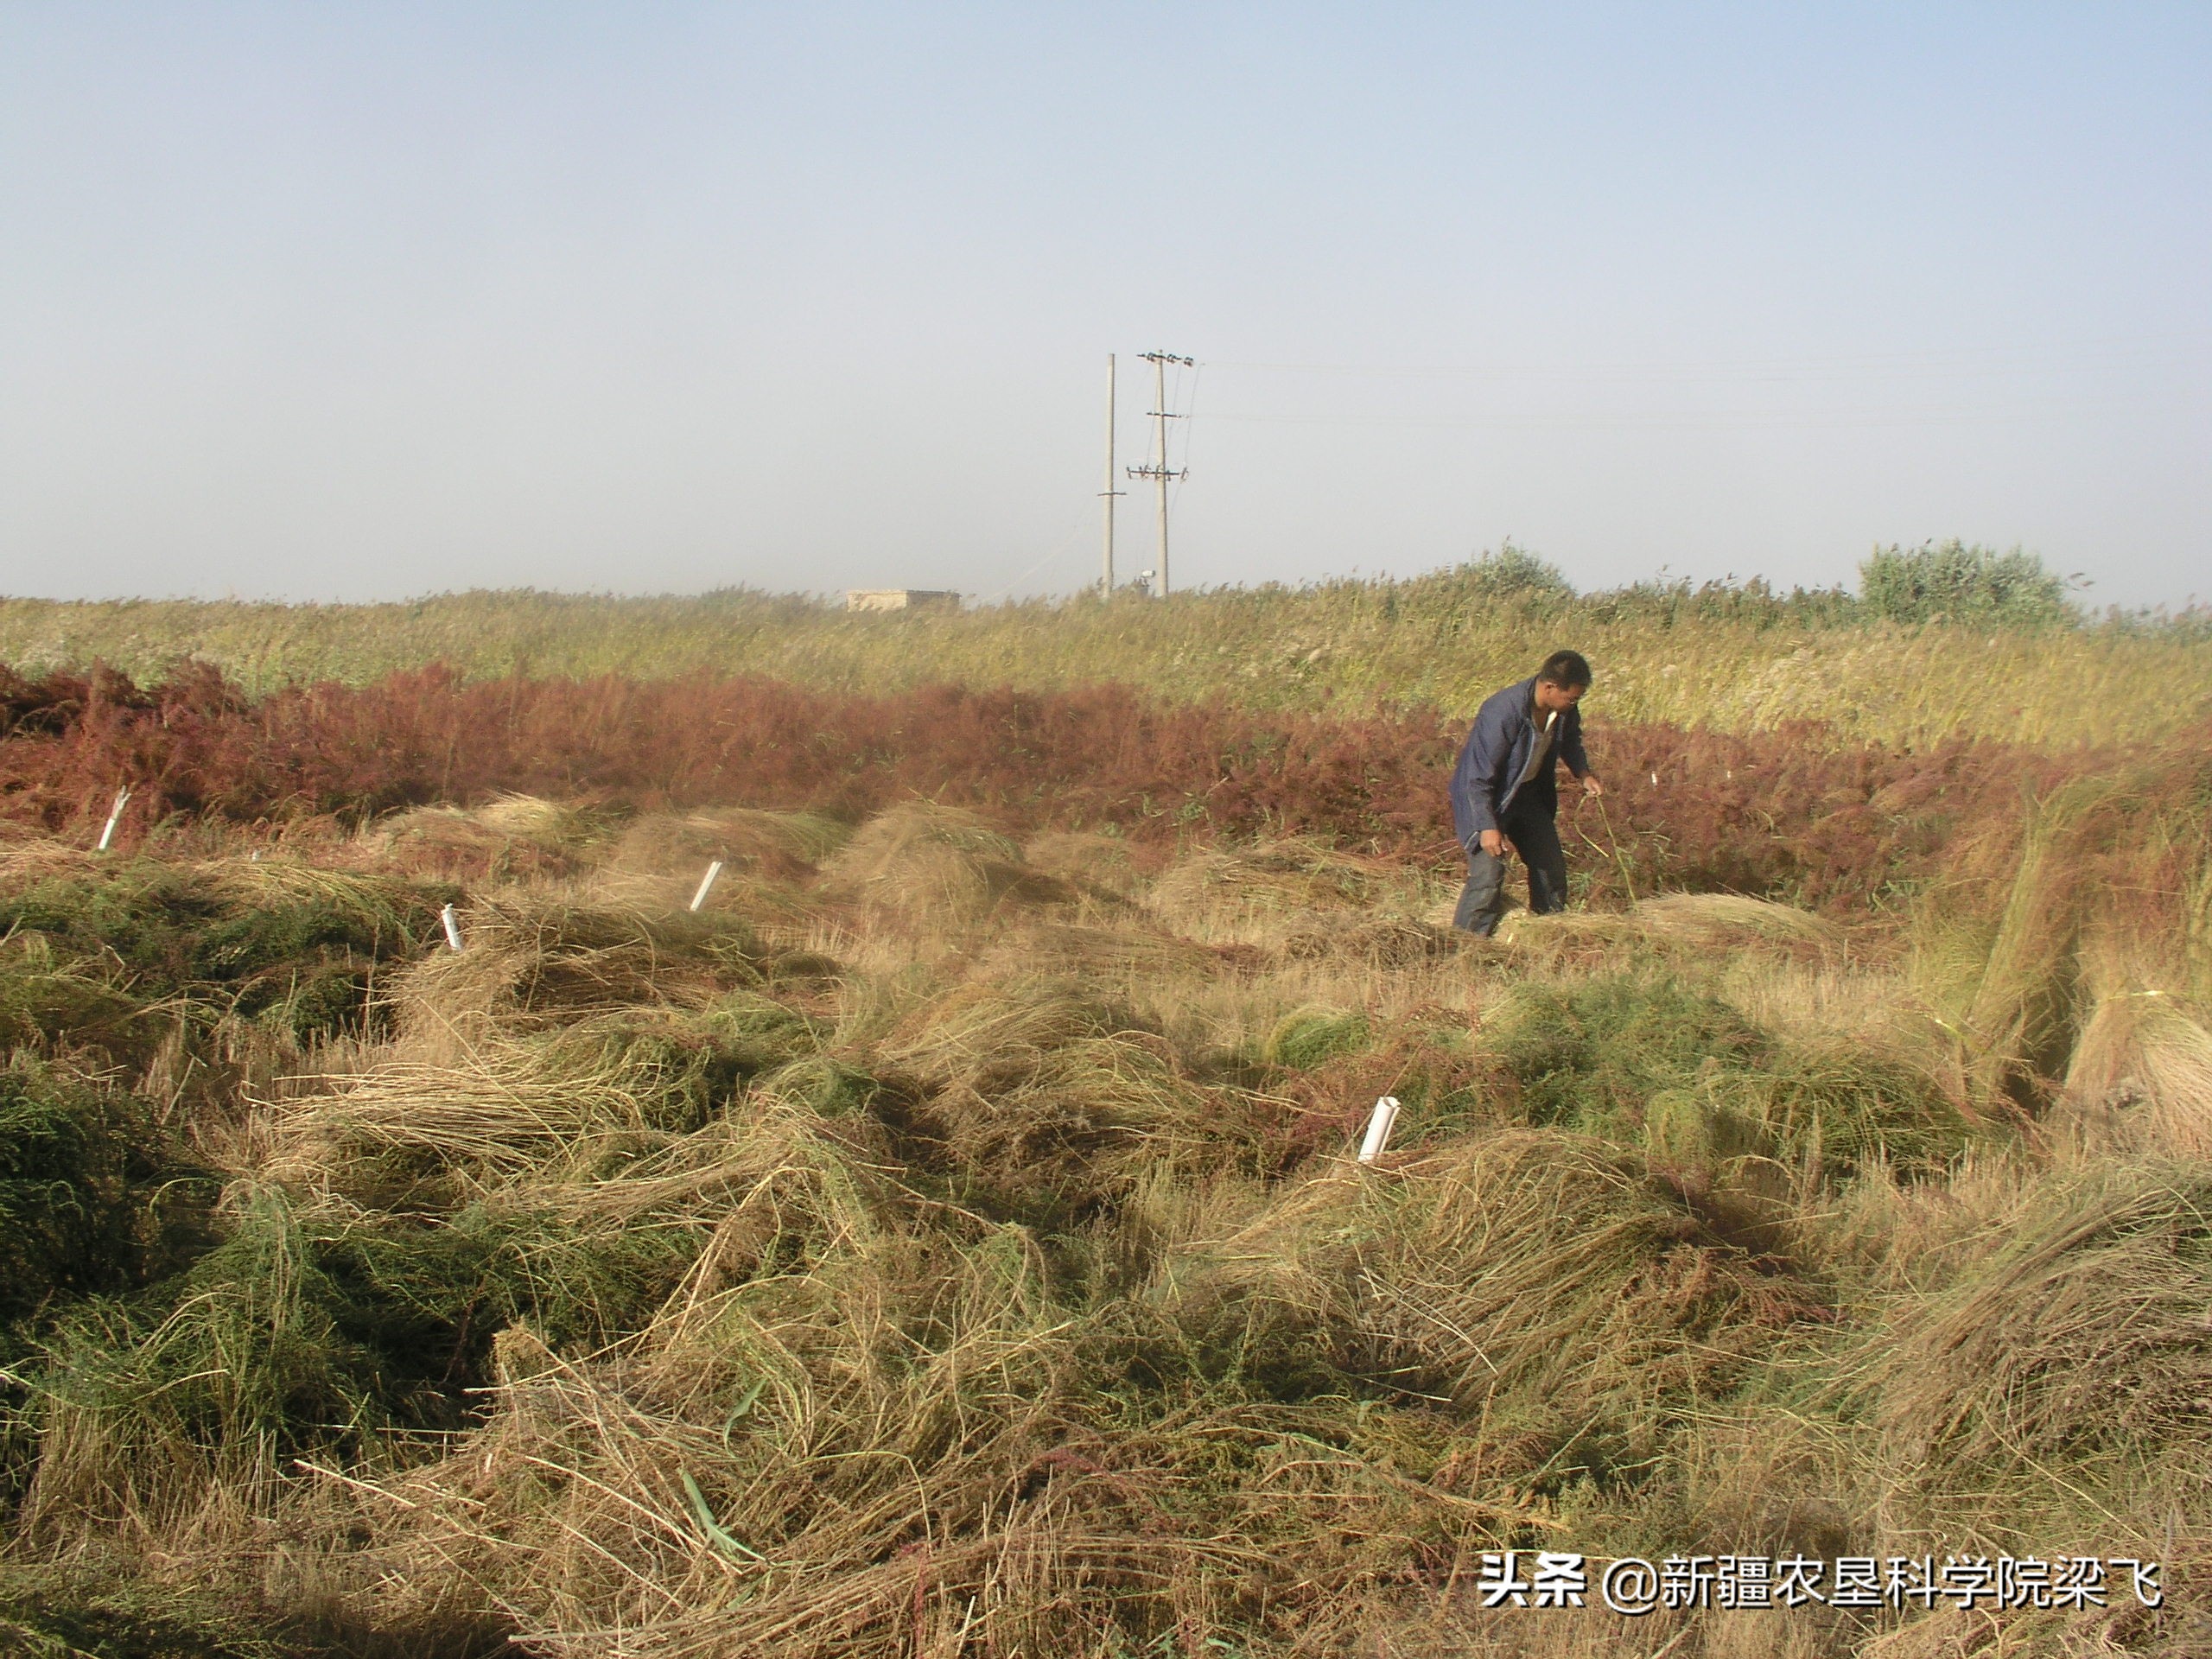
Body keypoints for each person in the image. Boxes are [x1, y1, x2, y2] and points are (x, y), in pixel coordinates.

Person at [1448, 650, 1604, 935]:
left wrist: (1583, 773)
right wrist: (1487, 826)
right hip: (1487, 799)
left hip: (1527, 795)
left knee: (1550, 867)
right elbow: (1477, 777)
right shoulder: (1502, 713)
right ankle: (1465, 946)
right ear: (1549, 687)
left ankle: (1547, 935)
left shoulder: (1564, 710)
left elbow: (1570, 741)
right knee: (1489, 875)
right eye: (1571, 698)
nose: (1574, 704)